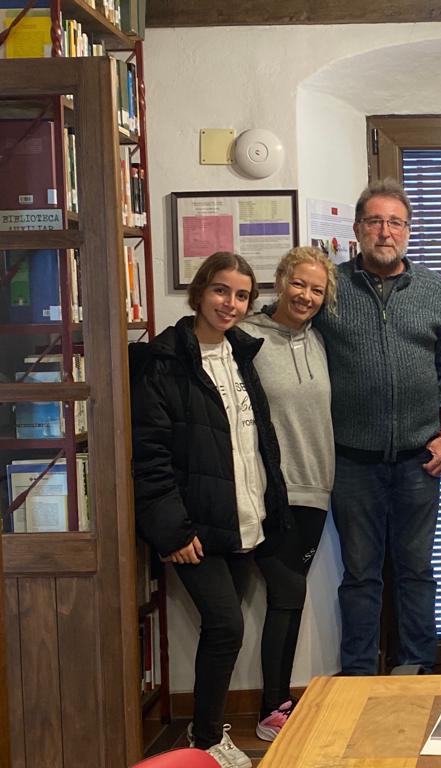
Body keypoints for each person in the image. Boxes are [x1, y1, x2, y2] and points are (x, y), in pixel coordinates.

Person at [130, 252, 288, 768]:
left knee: (224, 629)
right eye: (221, 291)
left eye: (241, 295)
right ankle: (204, 741)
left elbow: (252, 442)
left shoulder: (241, 354)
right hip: (194, 528)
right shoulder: (165, 361)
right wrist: (172, 530)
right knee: (226, 626)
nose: (231, 303)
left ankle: (206, 734)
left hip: (244, 521)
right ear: (199, 292)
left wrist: (270, 508)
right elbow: (150, 455)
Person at [315, 178, 441, 675]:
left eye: (395, 222)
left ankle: (418, 669)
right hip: (351, 461)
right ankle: (357, 676)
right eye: (375, 221)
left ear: (408, 231)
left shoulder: (433, 289)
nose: (385, 231)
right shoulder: (331, 288)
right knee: (360, 576)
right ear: (357, 229)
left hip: (419, 460)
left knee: (417, 574)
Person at [238, 246, 336, 742]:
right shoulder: (247, 337)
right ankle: (272, 708)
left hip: (316, 492)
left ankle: (278, 704)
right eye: (299, 284)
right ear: (280, 281)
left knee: (288, 598)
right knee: (286, 593)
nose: (306, 296)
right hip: (270, 493)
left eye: (317, 289)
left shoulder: (320, 342)